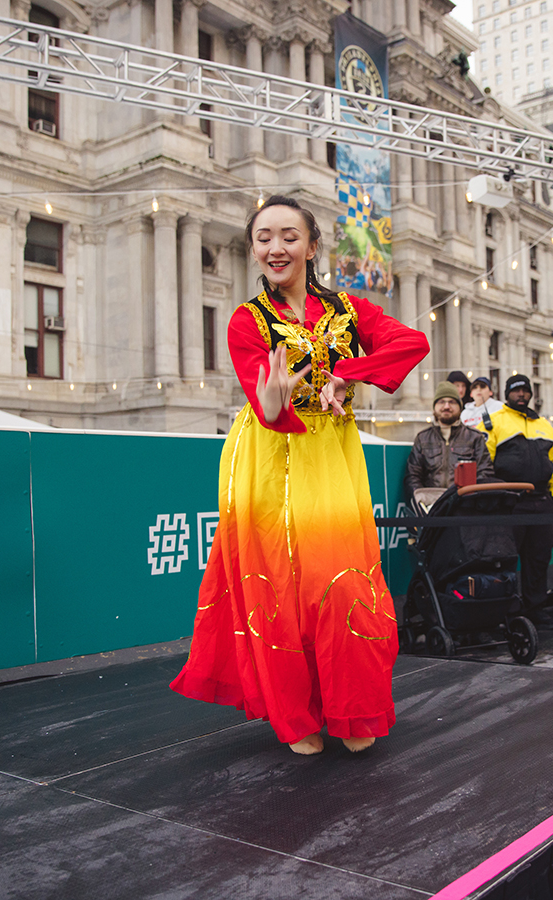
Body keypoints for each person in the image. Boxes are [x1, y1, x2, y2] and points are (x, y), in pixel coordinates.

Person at [171, 196, 429, 755]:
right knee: (279, 590)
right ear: (253, 249)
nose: (275, 247)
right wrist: (271, 401)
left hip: (331, 453)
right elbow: (262, 401)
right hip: (267, 456)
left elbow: (411, 343)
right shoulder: (246, 320)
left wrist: (345, 375)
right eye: (264, 237)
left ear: (313, 247)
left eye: (289, 236)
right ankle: (295, 717)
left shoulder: (349, 310)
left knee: (343, 585)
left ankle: (353, 706)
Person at [478, 373, 553, 630]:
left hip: (541, 500)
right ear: (507, 394)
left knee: (539, 558)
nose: (521, 395)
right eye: (516, 391)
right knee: (504, 559)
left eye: (525, 391)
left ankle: (535, 609)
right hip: (510, 502)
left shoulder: (545, 424)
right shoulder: (493, 422)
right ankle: (507, 612)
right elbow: (485, 462)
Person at [404, 381, 494, 502]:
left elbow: (485, 474)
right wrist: (422, 500)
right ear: (434, 407)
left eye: (452, 402)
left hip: (464, 506)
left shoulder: (474, 437)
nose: (446, 406)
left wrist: (470, 498)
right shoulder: (423, 438)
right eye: (441, 402)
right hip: (431, 507)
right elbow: (412, 476)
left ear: (460, 407)